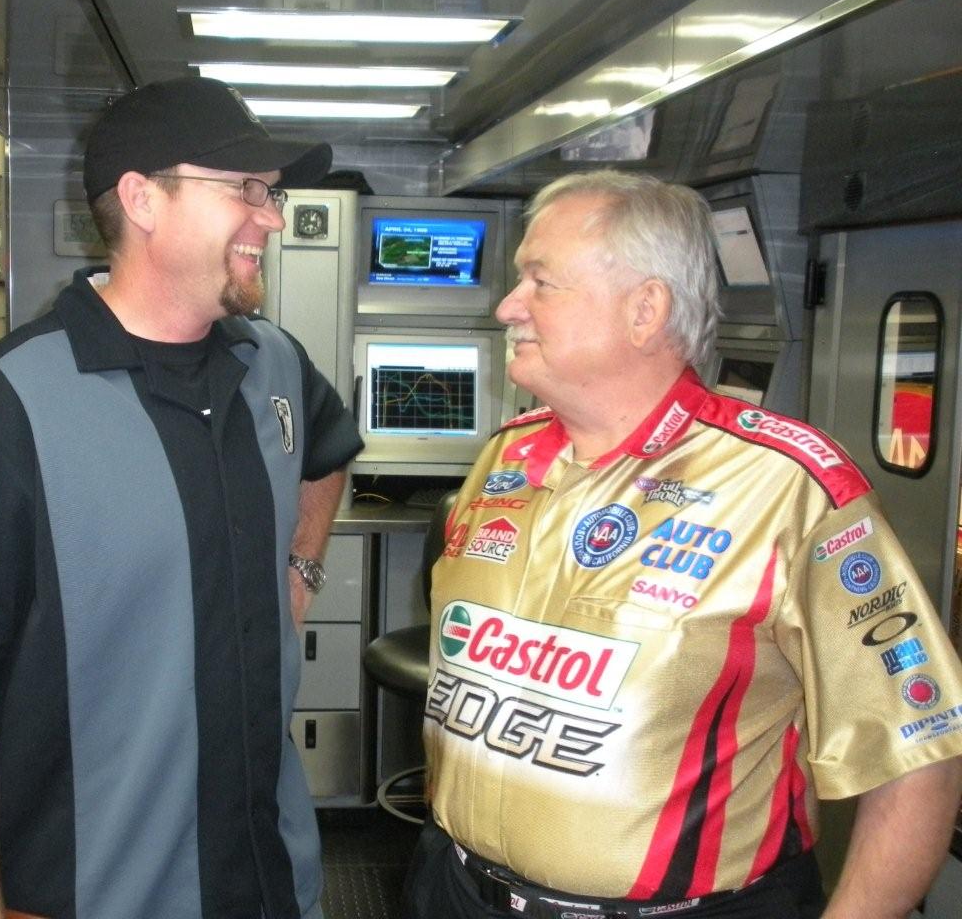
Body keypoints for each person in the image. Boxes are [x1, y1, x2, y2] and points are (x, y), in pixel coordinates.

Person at [407, 170, 962, 919]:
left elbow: (917, 759)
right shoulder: (504, 458)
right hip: (458, 890)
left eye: (541, 282)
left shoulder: (789, 488)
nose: (508, 307)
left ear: (646, 309)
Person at [0, 76, 363, 919]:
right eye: (246, 191)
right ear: (142, 199)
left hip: (273, 880)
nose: (271, 216)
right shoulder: (6, 412)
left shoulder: (274, 363)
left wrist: (298, 571)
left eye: (272, 192)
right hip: (101, 892)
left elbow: (327, 453)